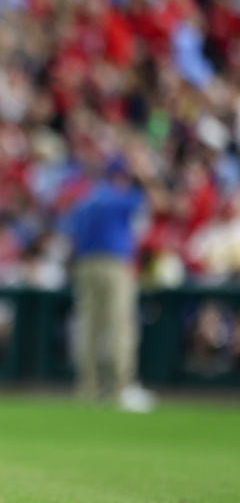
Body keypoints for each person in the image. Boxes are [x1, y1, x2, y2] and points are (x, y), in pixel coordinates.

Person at [68, 153, 162, 412]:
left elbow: (72, 234)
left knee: (89, 327)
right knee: (120, 325)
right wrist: (146, 177)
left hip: (85, 265)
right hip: (114, 264)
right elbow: (157, 203)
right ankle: (122, 387)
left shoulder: (86, 199)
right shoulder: (122, 198)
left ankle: (88, 388)